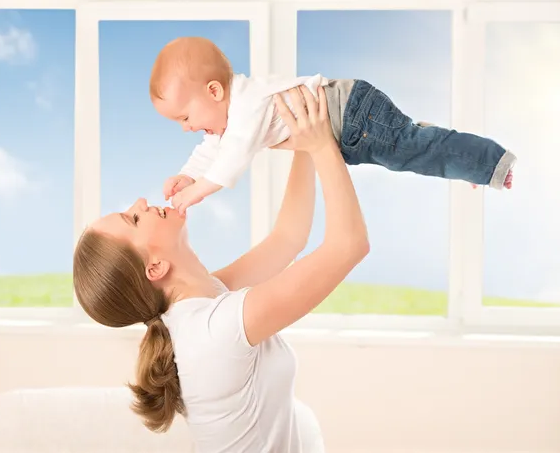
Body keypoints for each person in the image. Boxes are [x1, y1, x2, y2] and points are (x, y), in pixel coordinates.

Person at [72, 84, 369, 453]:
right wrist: (323, 144)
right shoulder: (215, 330)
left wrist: (305, 140)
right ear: (155, 267)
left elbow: (287, 239)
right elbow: (349, 246)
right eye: (133, 219)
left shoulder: (204, 301)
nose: (140, 202)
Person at [149, 36, 516, 215]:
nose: (186, 128)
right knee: (411, 147)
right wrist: (188, 176)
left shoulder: (248, 105)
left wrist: (198, 191)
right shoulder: (229, 119)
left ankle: (489, 163)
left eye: (185, 118)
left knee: (410, 149)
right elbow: (211, 151)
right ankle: (457, 155)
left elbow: (232, 157)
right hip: (350, 128)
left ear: (214, 91)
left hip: (353, 115)